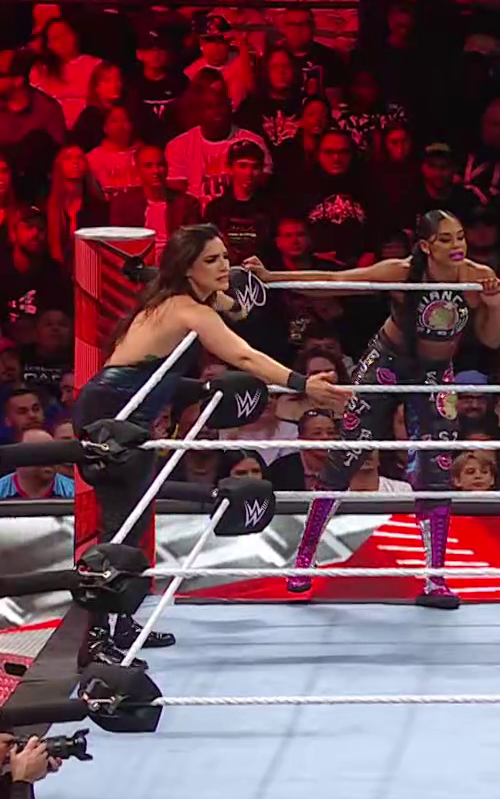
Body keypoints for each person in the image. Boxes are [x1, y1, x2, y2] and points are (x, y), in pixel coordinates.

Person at [74, 224, 350, 664]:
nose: (224, 265)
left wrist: (242, 289)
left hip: (131, 415)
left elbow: (233, 307)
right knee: (118, 527)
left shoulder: (190, 299)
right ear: (188, 269)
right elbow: (242, 355)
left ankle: (121, 623)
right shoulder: (186, 310)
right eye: (212, 260)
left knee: (136, 522)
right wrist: (303, 384)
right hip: (112, 416)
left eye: (225, 257)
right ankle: (93, 641)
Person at [246, 210, 500, 608]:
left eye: (460, 237)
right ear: (426, 245)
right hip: (387, 363)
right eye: (446, 239)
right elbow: (337, 281)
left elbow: (493, 339)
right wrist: (272, 277)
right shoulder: (402, 272)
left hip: (435, 373)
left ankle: (435, 579)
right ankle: (304, 559)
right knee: (347, 455)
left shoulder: (476, 276)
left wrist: (494, 305)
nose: (457, 246)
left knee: (436, 468)